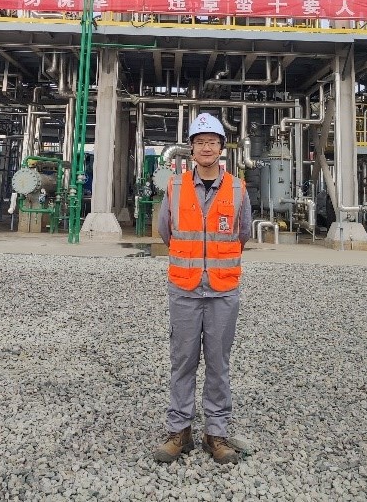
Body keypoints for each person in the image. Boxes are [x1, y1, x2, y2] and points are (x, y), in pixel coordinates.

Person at [153, 113, 252, 466]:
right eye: (200, 142)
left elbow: (242, 233)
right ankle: (179, 431)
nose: (206, 147)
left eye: (212, 142)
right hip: (185, 289)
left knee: (218, 364)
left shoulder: (238, 188)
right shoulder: (176, 186)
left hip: (223, 290)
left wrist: (215, 262)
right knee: (182, 361)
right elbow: (166, 230)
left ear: (221, 148)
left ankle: (216, 433)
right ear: (191, 149)